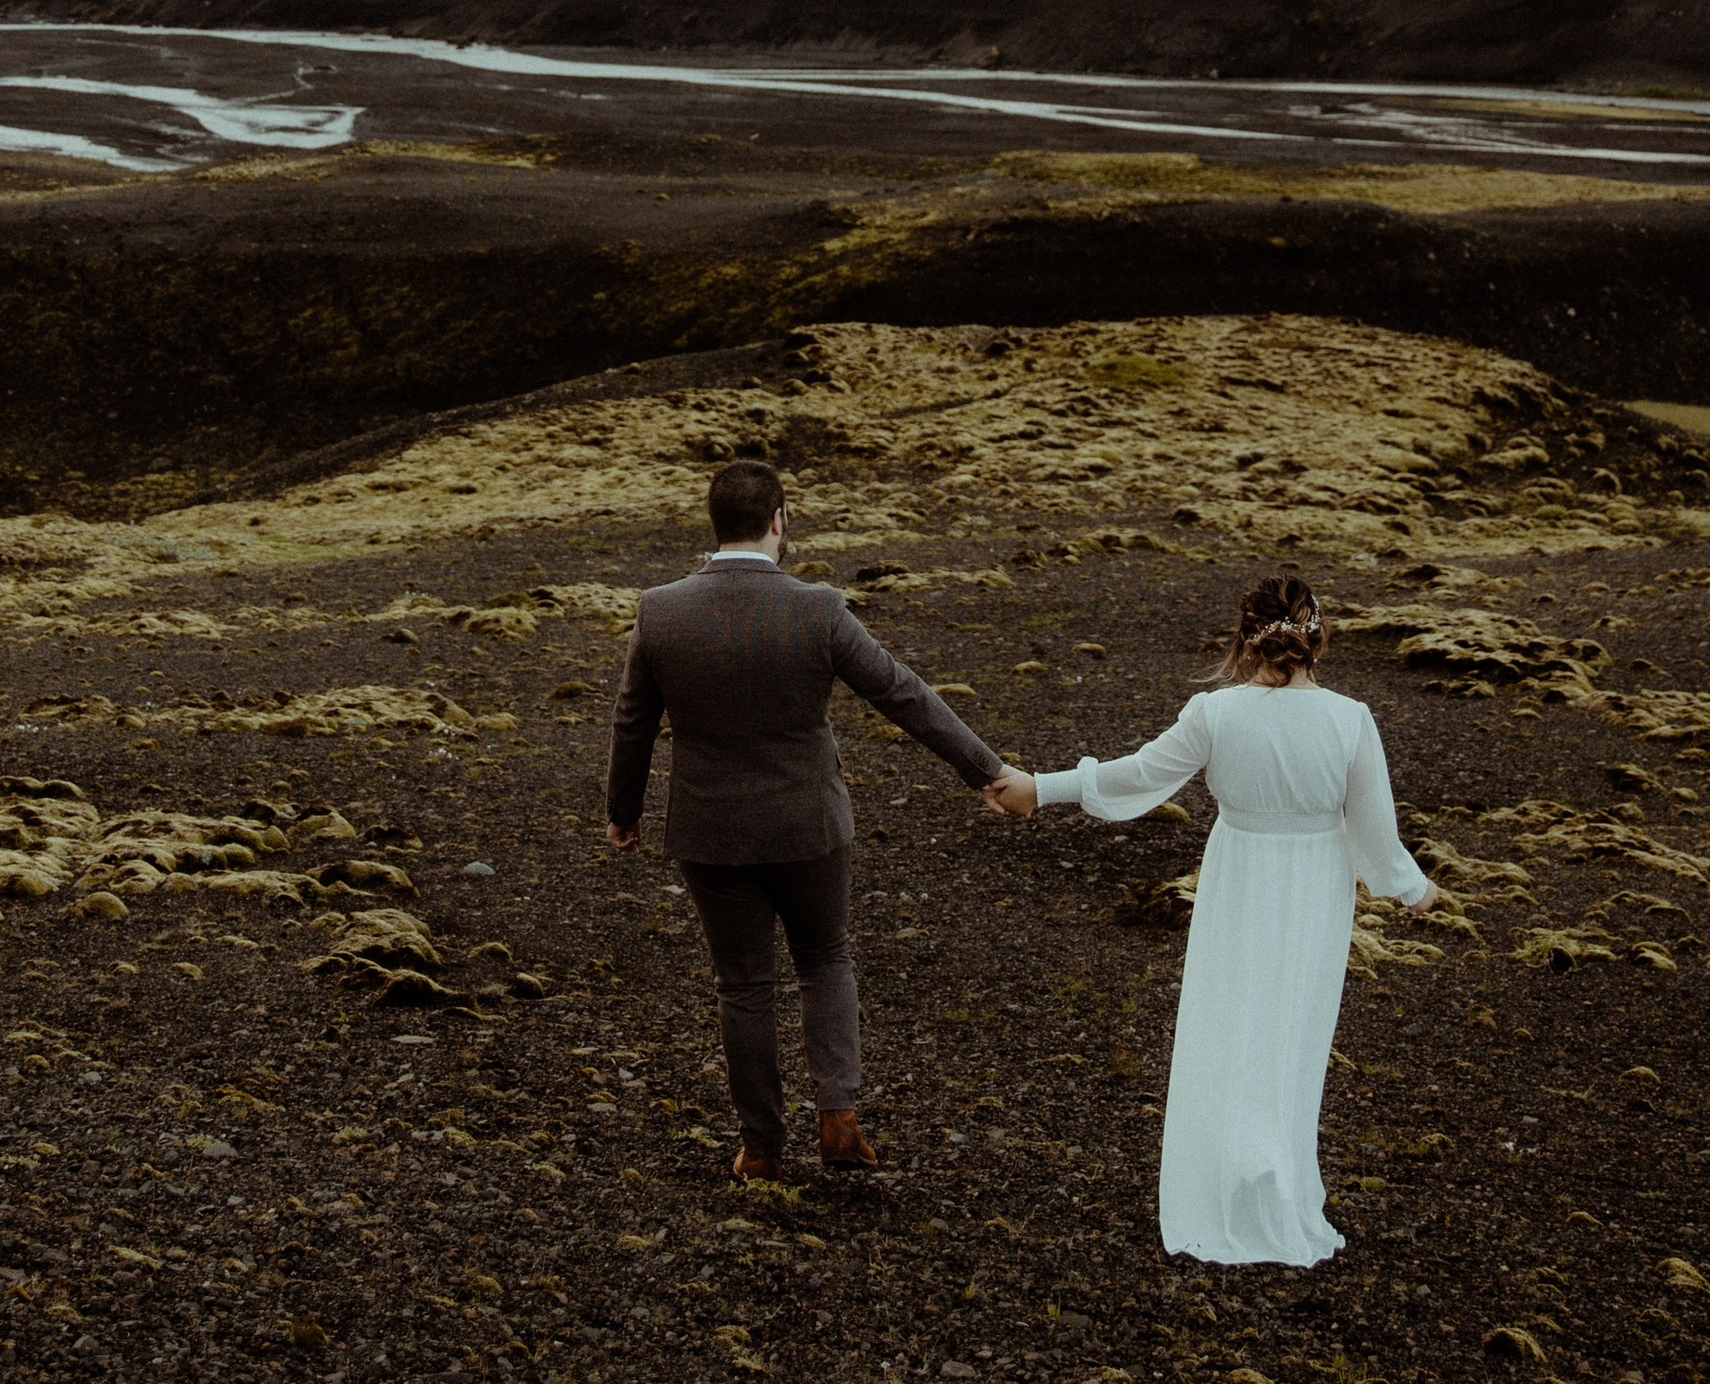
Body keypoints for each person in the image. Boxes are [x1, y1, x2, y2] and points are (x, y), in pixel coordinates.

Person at [984, 572, 1439, 1265]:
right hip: (1315, 886)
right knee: (1292, 1028)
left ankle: (1238, 1170)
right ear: (1319, 636)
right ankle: (1275, 1175)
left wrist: (1040, 789)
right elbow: (1376, 838)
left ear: (1244, 638)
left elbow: (1136, 774)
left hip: (1240, 879)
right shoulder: (1350, 719)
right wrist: (1412, 889)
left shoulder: (1216, 714)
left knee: (1233, 1022)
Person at [605, 458, 1012, 1180]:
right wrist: (988, 771)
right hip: (808, 825)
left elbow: (632, 722)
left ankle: (761, 1149)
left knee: (743, 984)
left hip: (710, 829)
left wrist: (623, 812)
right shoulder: (819, 608)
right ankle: (839, 1119)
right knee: (825, 959)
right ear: (780, 520)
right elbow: (903, 695)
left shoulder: (659, 609)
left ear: (715, 523)